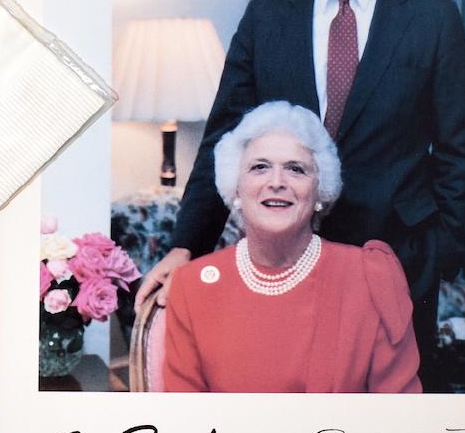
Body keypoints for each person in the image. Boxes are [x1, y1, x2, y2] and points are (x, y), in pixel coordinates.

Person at [137, 0, 465, 388]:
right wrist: (188, 244)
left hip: (397, 263)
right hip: (282, 260)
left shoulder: (432, 19)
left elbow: (463, 150)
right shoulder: (267, 16)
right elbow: (223, 139)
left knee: (390, 431)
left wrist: (438, 253)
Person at [163, 101, 421, 393]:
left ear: (320, 191)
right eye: (259, 167)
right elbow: (186, 420)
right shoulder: (192, 287)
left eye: (296, 169)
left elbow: (400, 413)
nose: (276, 182)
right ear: (235, 187)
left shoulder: (370, 276)